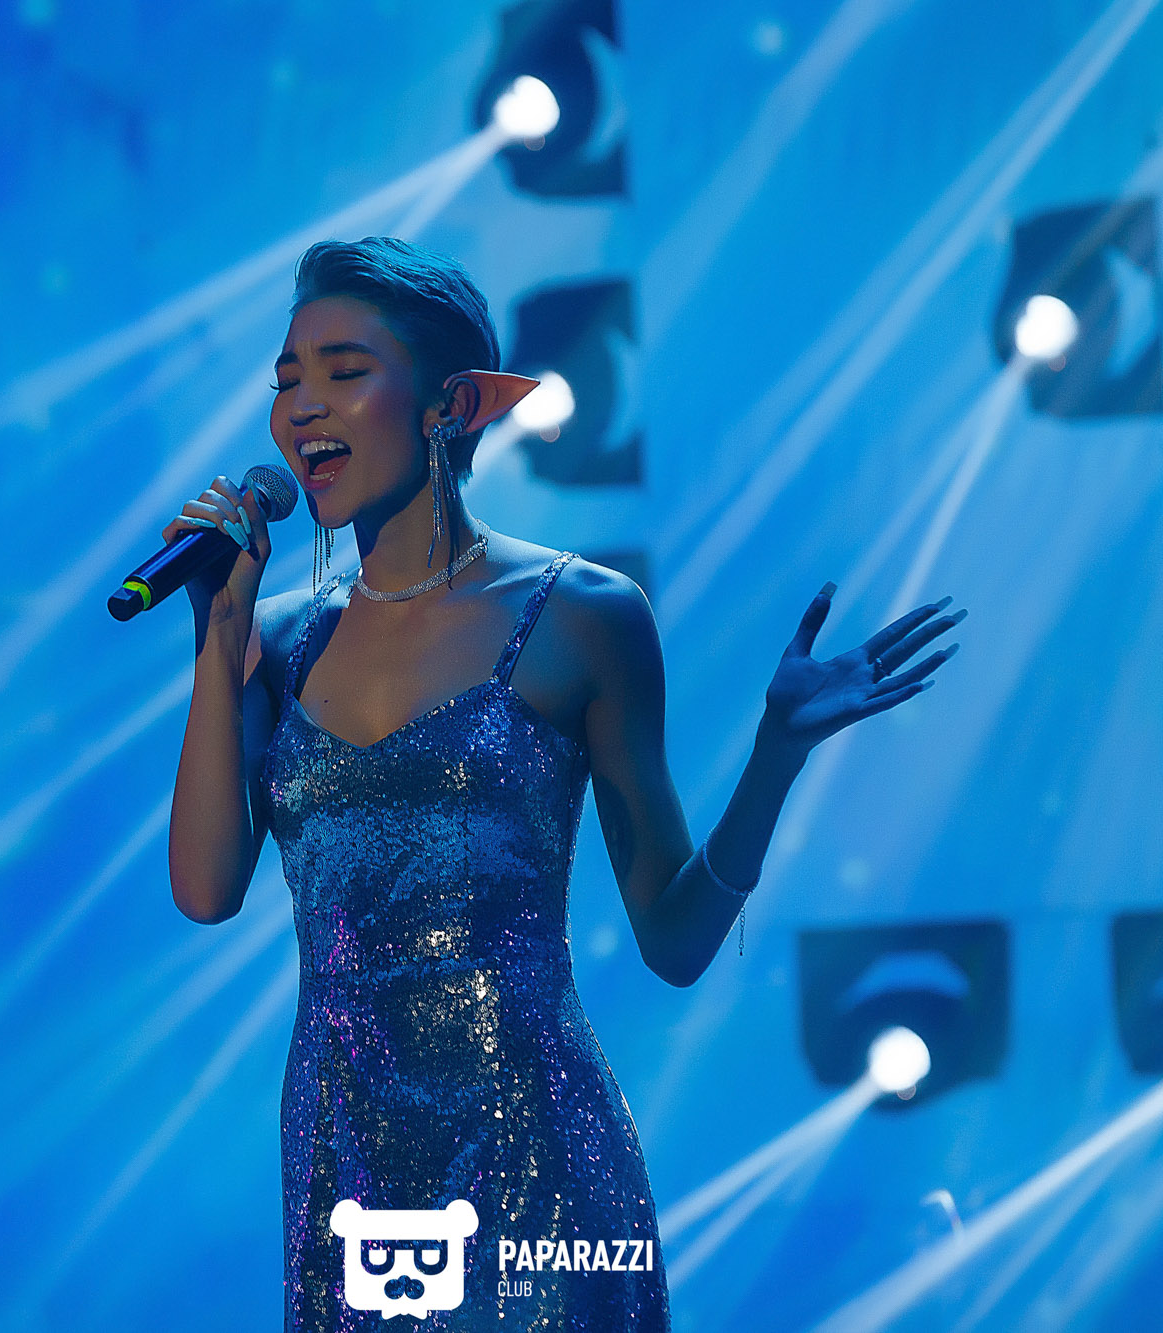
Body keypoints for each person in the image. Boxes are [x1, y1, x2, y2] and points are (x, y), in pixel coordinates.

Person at [162, 236, 963, 1331]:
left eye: (343, 371)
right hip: (348, 1161)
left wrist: (776, 750)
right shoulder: (269, 641)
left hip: (535, 1151)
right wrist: (217, 636)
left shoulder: (581, 615)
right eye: (286, 378)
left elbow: (674, 937)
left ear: (450, 404)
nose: (302, 406)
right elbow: (205, 889)